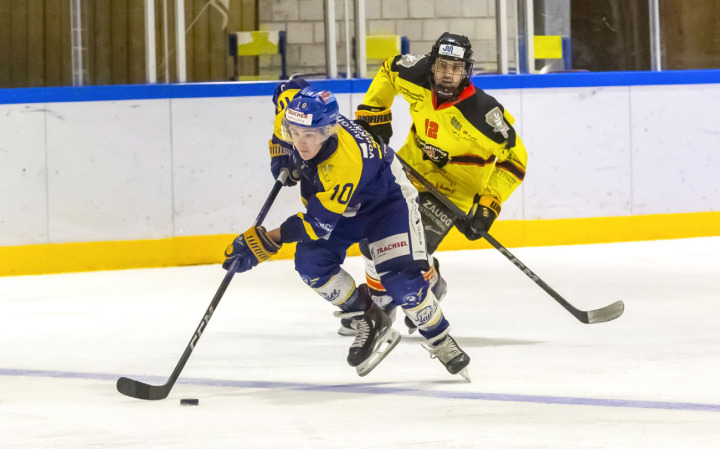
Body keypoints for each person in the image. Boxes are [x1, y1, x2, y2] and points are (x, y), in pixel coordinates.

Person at [223, 83, 471, 379]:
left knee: (401, 282)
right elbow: (287, 95)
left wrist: (266, 241)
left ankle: (441, 340)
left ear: (328, 131)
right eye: (295, 134)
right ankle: (369, 318)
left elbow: (316, 225)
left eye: (309, 136)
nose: (300, 143)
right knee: (310, 265)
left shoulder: (343, 163)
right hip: (342, 211)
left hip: (386, 207)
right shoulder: (296, 116)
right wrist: (280, 155)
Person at [348, 32, 528, 335]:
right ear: (432, 64)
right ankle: (386, 302)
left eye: (457, 69)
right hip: (410, 169)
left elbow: (515, 160)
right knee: (370, 238)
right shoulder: (415, 74)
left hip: (455, 189)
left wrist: (487, 205)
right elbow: (389, 69)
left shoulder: (483, 113)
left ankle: (412, 292)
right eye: (443, 66)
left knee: (407, 252)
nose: (448, 75)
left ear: (467, 71)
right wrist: (375, 113)